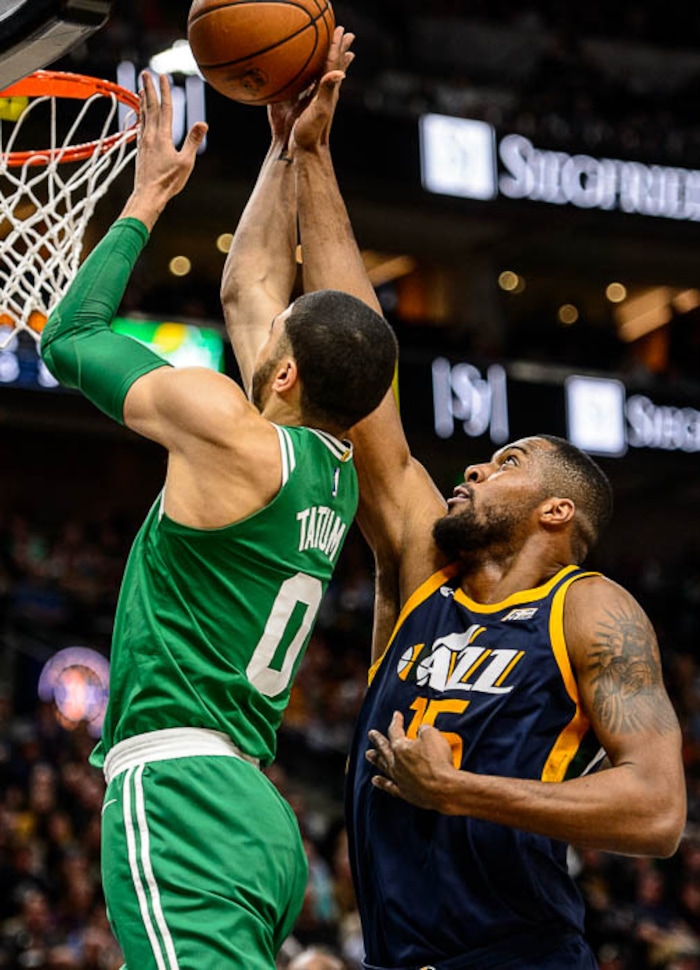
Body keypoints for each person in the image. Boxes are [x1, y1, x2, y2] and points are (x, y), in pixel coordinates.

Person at [222, 30, 688, 970]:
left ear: (560, 513)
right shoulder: (423, 569)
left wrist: (464, 792)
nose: (474, 469)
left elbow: (659, 810)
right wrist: (311, 154)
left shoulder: (589, 610)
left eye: (507, 460)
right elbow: (366, 373)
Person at [40, 61, 397, 970]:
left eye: (274, 343)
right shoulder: (338, 473)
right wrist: (283, 144)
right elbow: (248, 289)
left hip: (181, 793)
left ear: (280, 375)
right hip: (255, 813)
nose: (256, 329)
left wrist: (146, 199)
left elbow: (69, 337)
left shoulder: (231, 433)